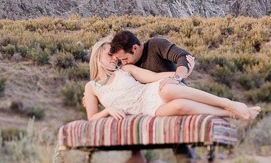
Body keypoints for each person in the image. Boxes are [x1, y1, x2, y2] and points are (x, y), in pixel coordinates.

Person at [84, 38, 260, 126]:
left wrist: (180, 74)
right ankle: (231, 113)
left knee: (167, 89)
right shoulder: (91, 87)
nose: (115, 59)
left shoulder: (125, 70)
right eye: (110, 55)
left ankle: (228, 103)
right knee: (179, 107)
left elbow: (152, 77)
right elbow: (91, 118)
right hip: (146, 109)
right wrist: (106, 111)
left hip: (151, 92)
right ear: (97, 56)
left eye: (115, 55)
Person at [109, 30, 195, 163]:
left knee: (171, 115)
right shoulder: (128, 66)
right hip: (151, 104)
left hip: (172, 93)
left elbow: (183, 56)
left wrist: (177, 77)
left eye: (125, 59)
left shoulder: (155, 44)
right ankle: (137, 156)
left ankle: (187, 159)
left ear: (135, 48)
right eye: (121, 60)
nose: (124, 63)